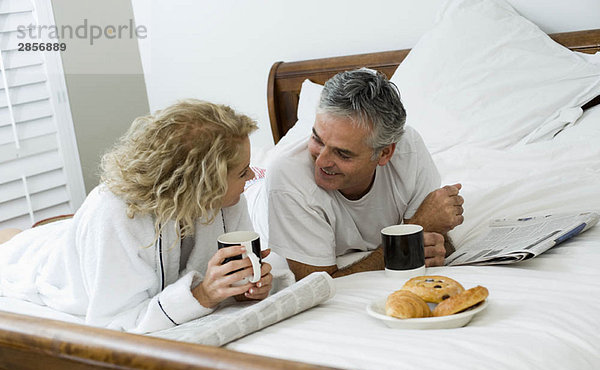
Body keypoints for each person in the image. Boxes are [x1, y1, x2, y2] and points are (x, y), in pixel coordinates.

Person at [0, 100, 273, 333]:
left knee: (32, 236)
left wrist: (247, 287)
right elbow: (115, 322)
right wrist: (202, 295)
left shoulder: (227, 200)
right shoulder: (114, 212)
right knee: (14, 251)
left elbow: (227, 281)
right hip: (49, 264)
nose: (251, 177)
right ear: (202, 183)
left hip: (71, 237)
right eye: (242, 172)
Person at [265, 69, 464, 280]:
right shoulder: (287, 177)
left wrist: (429, 238)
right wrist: (410, 236)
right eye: (317, 140)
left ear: (385, 153)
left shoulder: (409, 150)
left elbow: (437, 242)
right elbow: (316, 284)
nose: (322, 161)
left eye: (343, 153)